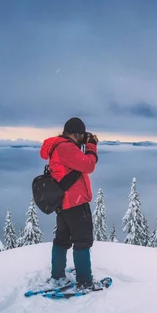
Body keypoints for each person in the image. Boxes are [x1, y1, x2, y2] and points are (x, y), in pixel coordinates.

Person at [39, 117, 99, 289]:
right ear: (76, 134)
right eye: (82, 136)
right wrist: (91, 146)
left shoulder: (59, 146)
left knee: (62, 240)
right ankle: (85, 281)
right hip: (75, 203)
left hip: (64, 203)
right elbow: (88, 165)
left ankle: (57, 276)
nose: (84, 139)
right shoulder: (66, 147)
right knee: (82, 241)